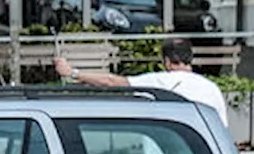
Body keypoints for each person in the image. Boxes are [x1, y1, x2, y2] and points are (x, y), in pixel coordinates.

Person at [54, 37, 229, 127]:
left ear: (167, 61)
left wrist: (73, 73)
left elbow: (110, 81)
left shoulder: (161, 80)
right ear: (190, 58)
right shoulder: (211, 88)